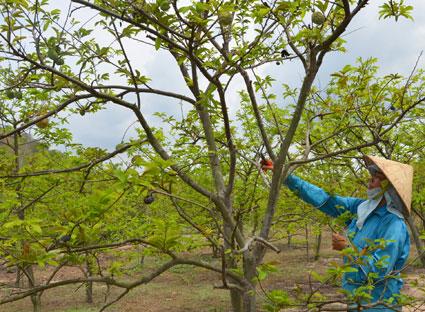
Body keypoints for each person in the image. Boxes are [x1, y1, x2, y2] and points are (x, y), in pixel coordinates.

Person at [261, 155, 413, 311]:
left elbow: (380, 269)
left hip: (379, 305)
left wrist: (349, 249)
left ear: (389, 188)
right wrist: (285, 176)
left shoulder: (393, 224)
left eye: (378, 177)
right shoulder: (359, 209)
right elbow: (325, 198)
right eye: (373, 176)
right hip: (356, 300)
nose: (371, 180)